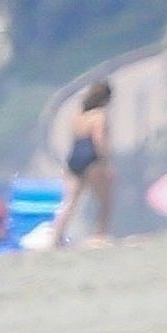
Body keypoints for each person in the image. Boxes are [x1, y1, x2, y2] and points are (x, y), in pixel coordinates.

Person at [53, 79, 113, 247]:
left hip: (75, 159)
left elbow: (75, 140)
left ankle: (56, 236)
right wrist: (106, 162)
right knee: (105, 200)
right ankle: (99, 235)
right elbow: (99, 140)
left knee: (70, 201)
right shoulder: (99, 116)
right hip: (91, 160)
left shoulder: (79, 117)